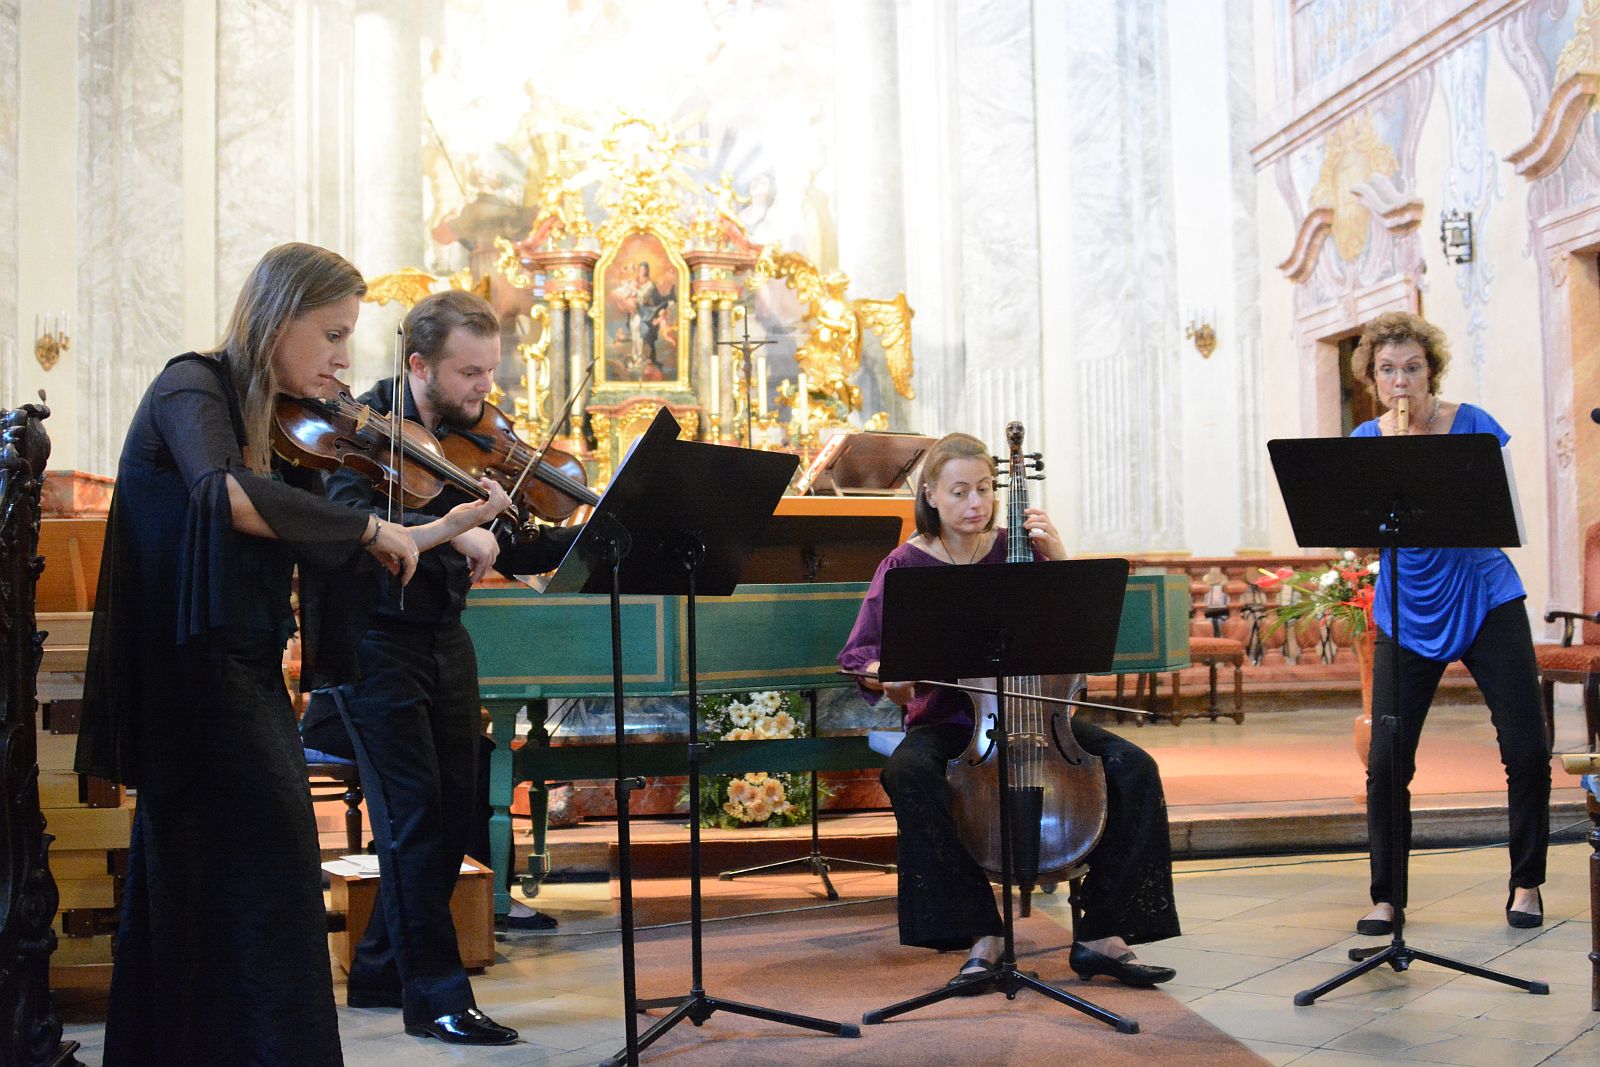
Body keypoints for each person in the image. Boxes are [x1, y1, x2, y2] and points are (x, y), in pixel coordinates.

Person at [74, 242, 507, 1066]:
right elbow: (222, 493)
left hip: (242, 674)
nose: (345, 358)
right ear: (277, 319)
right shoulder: (190, 385)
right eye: (333, 334)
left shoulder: (280, 422)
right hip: (189, 679)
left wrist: (433, 529)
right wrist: (371, 526)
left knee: (201, 885)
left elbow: (338, 541)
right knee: (272, 880)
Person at [314, 288, 581, 1045]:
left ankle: (376, 967)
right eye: (469, 373)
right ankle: (436, 998)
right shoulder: (358, 427)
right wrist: (448, 528)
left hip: (440, 635)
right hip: (372, 641)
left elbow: (518, 542)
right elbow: (345, 524)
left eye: (489, 372)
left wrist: (589, 534)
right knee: (414, 819)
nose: (483, 390)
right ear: (419, 364)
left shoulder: (475, 440)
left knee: (458, 809)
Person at [837, 432, 1180, 990]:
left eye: (986, 489)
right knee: (907, 774)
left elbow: (1076, 637)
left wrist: (1061, 560)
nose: (977, 503)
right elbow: (864, 655)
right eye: (960, 492)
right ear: (930, 494)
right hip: (951, 723)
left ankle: (1102, 933)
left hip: (1041, 718)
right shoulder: (905, 564)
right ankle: (982, 931)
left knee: (1135, 768)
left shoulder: (1019, 549)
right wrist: (891, 680)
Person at [1348, 310, 1550, 934]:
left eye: (1412, 368)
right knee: (1386, 761)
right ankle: (1386, 897)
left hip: (1485, 593)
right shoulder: (1365, 441)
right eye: (1387, 371)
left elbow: (1503, 514)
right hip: (1408, 603)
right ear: (1373, 379)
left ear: (1431, 371)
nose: (1401, 382)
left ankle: (1526, 882)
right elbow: (1358, 540)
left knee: (1525, 747)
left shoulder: (1472, 425)